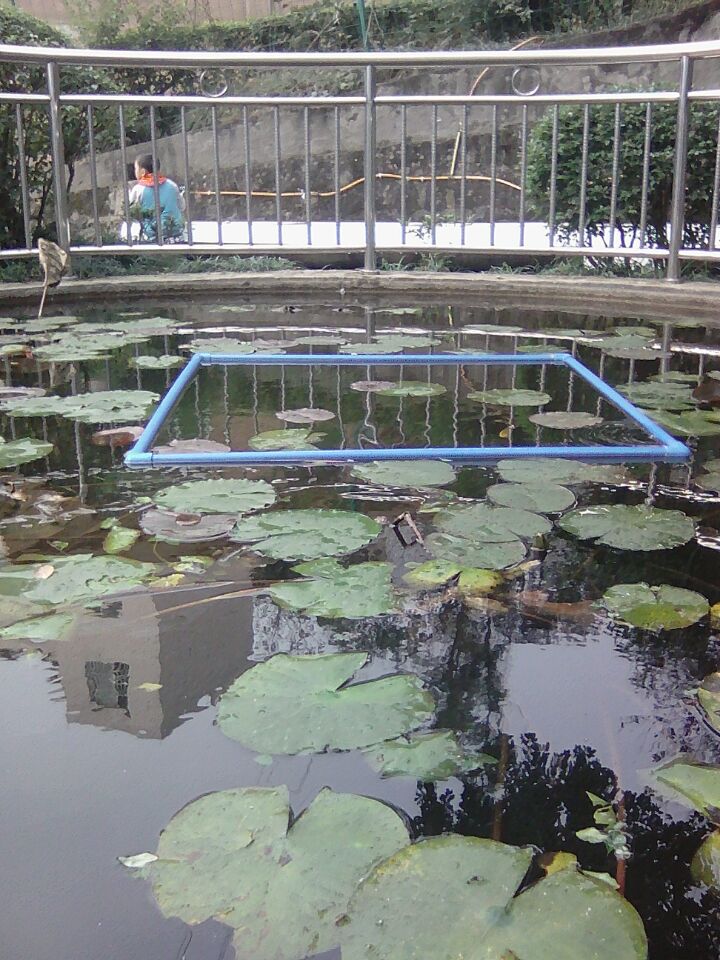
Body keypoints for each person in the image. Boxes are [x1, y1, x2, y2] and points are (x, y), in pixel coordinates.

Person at [128, 154, 186, 242]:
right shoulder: (172, 185)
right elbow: (182, 207)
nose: (135, 171)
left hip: (152, 238)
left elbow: (131, 213)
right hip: (176, 236)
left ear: (143, 172)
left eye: (136, 168)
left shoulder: (138, 189)